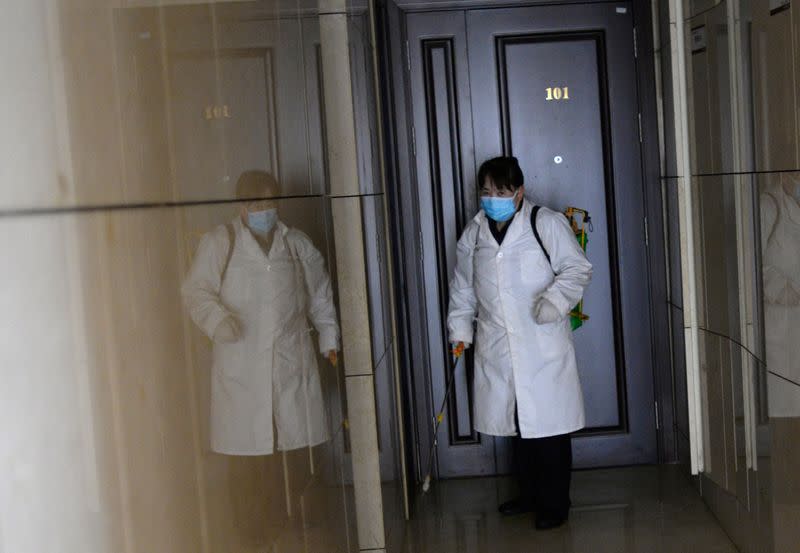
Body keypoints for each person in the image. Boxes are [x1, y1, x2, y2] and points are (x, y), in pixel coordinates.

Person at [447, 156, 592, 530]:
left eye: (501, 190)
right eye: (486, 191)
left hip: (541, 343)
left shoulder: (544, 223)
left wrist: (554, 302)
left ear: (519, 191)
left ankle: (556, 502)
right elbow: (463, 289)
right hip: (497, 343)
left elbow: (578, 269)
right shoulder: (474, 234)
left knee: (550, 429)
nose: (492, 197)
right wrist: (460, 331)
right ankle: (529, 494)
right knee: (518, 425)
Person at [182, 170, 340, 456]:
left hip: (291, 359)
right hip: (241, 364)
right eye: (255, 206)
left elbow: (319, 293)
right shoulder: (220, 242)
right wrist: (218, 321)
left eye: (269, 205)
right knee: (249, 456)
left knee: (293, 448)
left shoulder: (295, 242)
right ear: (240, 208)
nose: (263, 212)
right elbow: (196, 291)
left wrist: (329, 338)